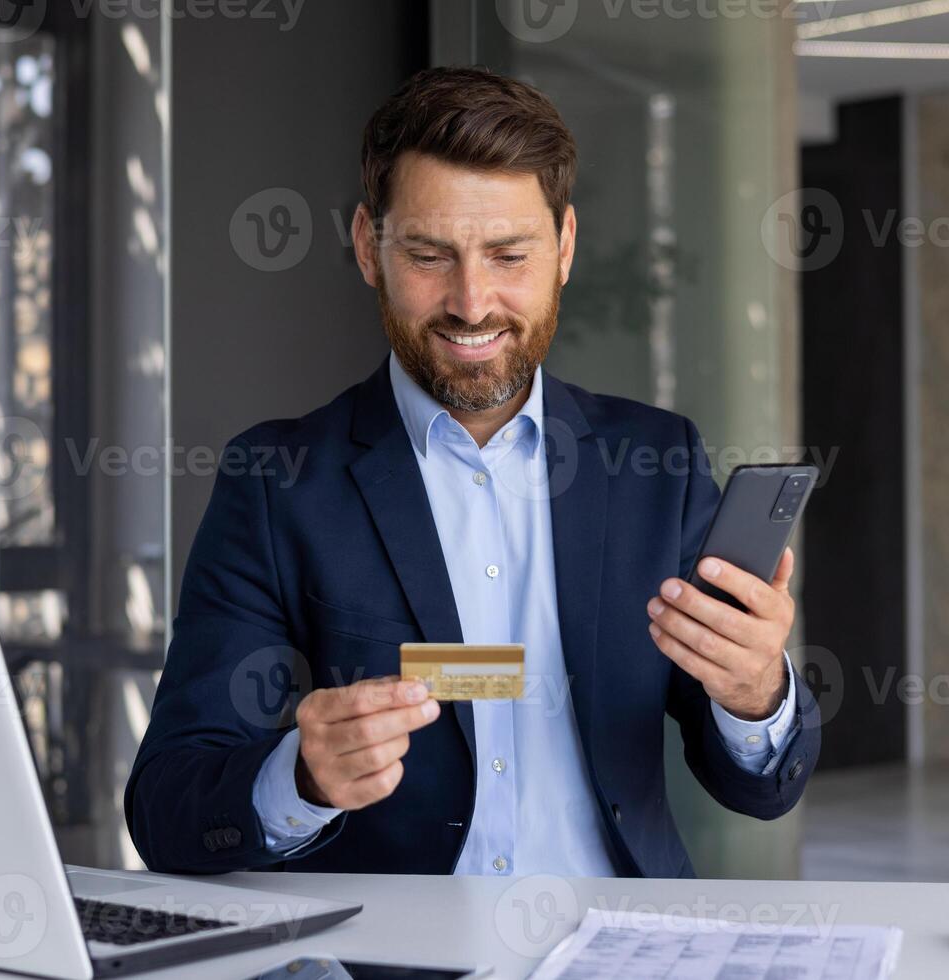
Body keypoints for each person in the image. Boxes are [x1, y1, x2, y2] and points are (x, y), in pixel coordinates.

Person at [126, 66, 819, 878]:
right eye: (428, 254)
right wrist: (302, 778)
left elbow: (762, 788)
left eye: (507, 254)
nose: (471, 301)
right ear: (366, 247)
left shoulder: (656, 463)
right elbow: (168, 808)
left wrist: (753, 695)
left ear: (563, 247)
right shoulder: (278, 481)